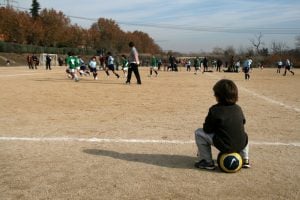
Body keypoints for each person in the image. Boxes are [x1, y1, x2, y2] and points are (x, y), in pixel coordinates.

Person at [194, 79, 250, 170]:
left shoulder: (215, 110)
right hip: (241, 144)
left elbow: (207, 129)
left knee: (198, 132)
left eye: (215, 93)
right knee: (243, 134)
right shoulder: (238, 108)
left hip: (224, 145)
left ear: (219, 96)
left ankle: (207, 161)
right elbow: (243, 122)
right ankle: (245, 159)